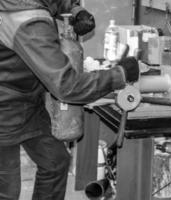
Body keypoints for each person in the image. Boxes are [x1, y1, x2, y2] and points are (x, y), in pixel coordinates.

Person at [0, 0, 139, 199]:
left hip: (25, 100)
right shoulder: (28, 23)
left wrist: (75, 11)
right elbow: (67, 86)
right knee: (6, 190)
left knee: (55, 163)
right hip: (5, 110)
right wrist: (119, 75)